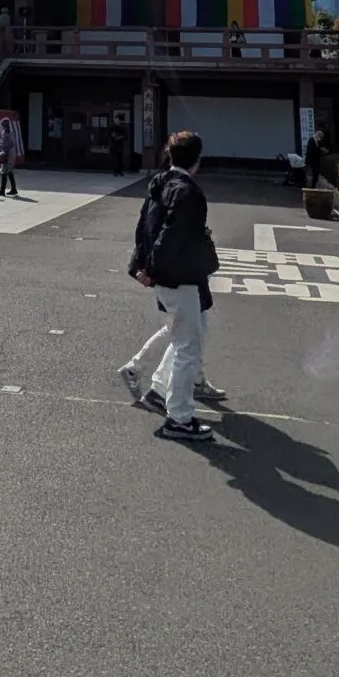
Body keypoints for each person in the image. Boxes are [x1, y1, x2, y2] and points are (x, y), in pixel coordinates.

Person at [122, 128, 222, 443]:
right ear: (197, 159)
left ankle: (159, 391)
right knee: (188, 347)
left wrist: (138, 266)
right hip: (179, 276)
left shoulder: (159, 184)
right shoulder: (188, 192)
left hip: (163, 275)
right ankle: (179, 417)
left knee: (182, 338)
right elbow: (173, 236)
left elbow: (144, 227)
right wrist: (152, 267)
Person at [0, 114, 20, 198]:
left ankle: (2, 190)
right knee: (9, 171)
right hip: (11, 153)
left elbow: (5, 145)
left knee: (4, 172)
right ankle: (13, 189)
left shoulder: (6, 133)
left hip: (7, 154)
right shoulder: (11, 132)